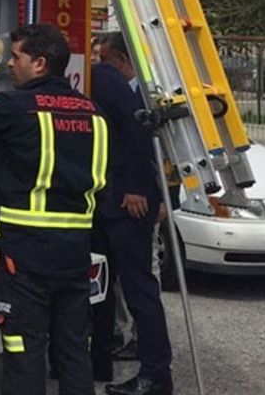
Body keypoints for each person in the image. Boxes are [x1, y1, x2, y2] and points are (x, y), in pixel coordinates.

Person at [0, 23, 108, 395]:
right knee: (73, 348)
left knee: (24, 348)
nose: (9, 65)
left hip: (26, 255)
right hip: (76, 252)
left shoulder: (17, 107)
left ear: (40, 64)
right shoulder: (93, 113)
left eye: (17, 57)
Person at [89, 33, 173, 395]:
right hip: (110, 199)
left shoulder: (117, 84)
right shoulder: (123, 85)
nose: (96, 62)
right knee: (102, 285)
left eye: (103, 57)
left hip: (127, 202)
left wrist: (138, 189)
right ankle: (100, 359)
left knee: (138, 289)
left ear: (122, 61)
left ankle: (155, 374)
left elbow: (140, 132)